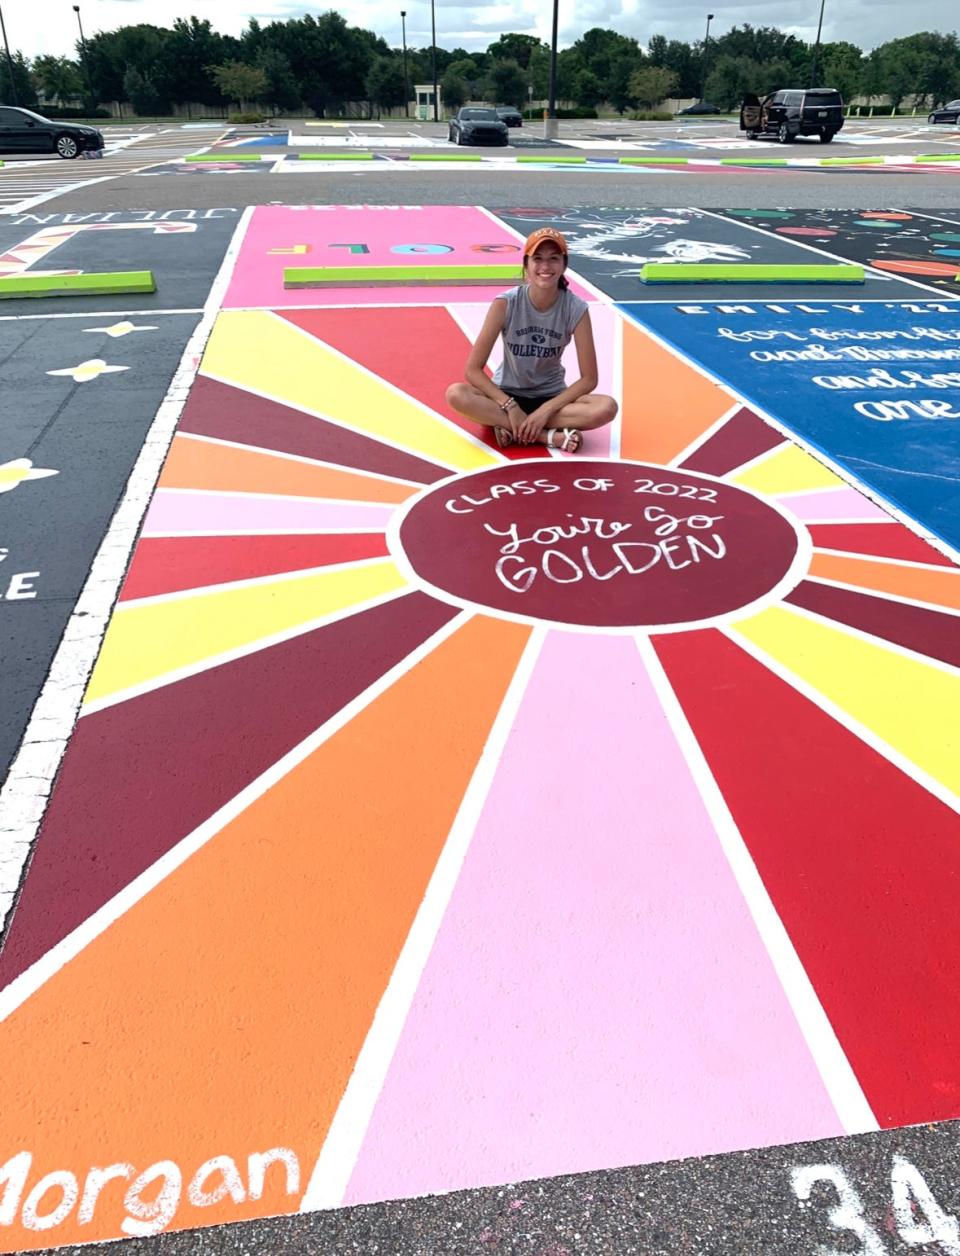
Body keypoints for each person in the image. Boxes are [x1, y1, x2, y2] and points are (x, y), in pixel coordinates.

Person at [445, 227, 618, 454]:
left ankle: (511, 427)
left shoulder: (576, 308)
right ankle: (543, 435)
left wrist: (545, 410)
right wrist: (510, 405)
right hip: (506, 395)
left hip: (552, 398)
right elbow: (473, 371)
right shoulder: (506, 304)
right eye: (538, 259)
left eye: (553, 259)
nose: (545, 267)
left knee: (606, 407)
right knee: (456, 394)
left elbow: (589, 379)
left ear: (564, 265)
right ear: (526, 265)